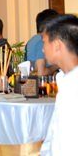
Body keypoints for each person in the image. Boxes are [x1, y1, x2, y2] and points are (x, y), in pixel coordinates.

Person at [40, 14, 78, 155]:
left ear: (56, 45)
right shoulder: (65, 79)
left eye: (44, 42)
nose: (42, 49)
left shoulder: (73, 87)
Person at [26, 9, 58, 75]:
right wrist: (57, 66)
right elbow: (41, 73)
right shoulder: (41, 41)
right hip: (41, 81)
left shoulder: (33, 39)